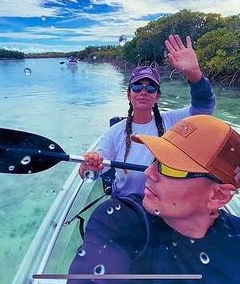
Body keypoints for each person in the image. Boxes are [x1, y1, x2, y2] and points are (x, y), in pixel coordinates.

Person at [69, 115, 240, 283]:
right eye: (155, 159)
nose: (149, 173)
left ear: (218, 195)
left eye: (171, 168)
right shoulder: (119, 219)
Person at [79, 34, 216, 197]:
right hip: (126, 203)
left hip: (164, 201)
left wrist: (194, 74)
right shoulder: (114, 133)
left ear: (157, 97)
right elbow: (91, 172)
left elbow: (204, 107)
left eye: (151, 88)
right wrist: (88, 166)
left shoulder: (173, 121)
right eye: (137, 86)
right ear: (128, 95)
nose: (143, 92)